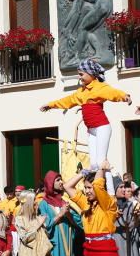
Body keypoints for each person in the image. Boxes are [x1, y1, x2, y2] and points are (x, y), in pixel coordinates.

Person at [41, 58, 131, 191]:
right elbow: (67, 100)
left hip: (102, 127)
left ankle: (111, 192)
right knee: (94, 164)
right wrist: (50, 105)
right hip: (91, 130)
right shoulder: (81, 92)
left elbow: (113, 93)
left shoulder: (100, 87)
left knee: (101, 162)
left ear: (91, 74)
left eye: (81, 74)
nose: (79, 77)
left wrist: (125, 97)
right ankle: (99, 189)